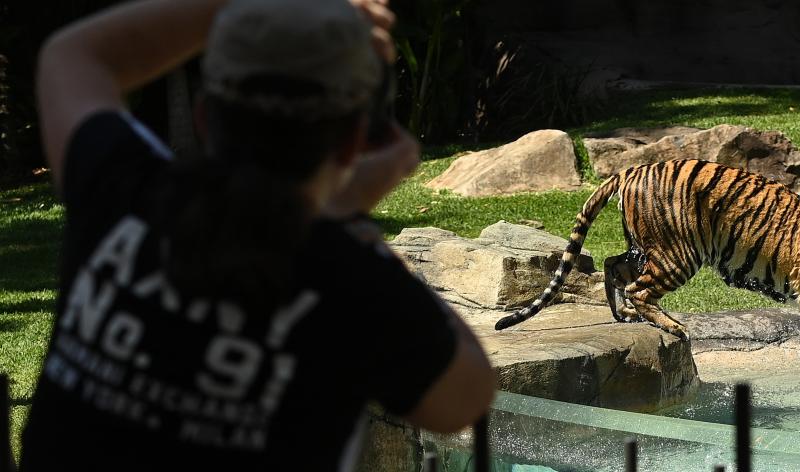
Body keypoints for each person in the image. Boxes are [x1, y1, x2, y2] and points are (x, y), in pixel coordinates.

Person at [20, 0, 496, 470]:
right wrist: (346, 220)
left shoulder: (124, 193)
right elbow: (467, 395)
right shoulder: (353, 287)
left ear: (205, 117)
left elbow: (72, 55)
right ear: (353, 140)